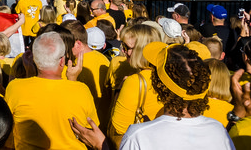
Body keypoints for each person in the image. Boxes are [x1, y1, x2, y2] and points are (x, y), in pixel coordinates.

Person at [71, 42, 231, 149]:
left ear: (159, 85)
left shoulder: (139, 135)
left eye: (154, 69)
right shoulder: (218, 131)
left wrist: (102, 145)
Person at [5, 31, 96, 150]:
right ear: (62, 61)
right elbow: (92, 132)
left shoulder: (14, 88)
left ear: (34, 59)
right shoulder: (82, 90)